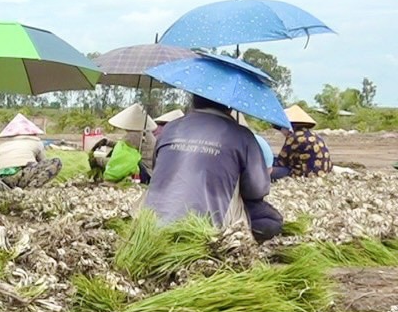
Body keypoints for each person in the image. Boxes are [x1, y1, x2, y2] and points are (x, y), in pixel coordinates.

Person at [142, 94, 281, 242]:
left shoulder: (169, 129)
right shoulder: (242, 135)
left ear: (194, 101)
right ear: (229, 107)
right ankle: (225, 240)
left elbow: (156, 170)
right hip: (207, 229)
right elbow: (257, 190)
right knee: (271, 219)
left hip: (152, 221)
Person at [0, 114, 62, 190]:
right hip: (16, 177)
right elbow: (43, 161)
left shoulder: (3, 144)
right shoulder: (35, 141)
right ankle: (28, 191)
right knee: (56, 162)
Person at [272, 104, 332, 181]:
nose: (281, 131)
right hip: (322, 172)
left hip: (306, 174)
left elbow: (281, 162)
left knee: (266, 170)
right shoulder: (314, 135)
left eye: (281, 128)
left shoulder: (294, 137)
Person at [108, 103, 157, 181]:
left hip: (144, 171)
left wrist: (99, 160)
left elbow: (121, 154)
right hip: (152, 170)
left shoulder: (134, 135)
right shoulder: (147, 133)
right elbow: (121, 145)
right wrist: (108, 143)